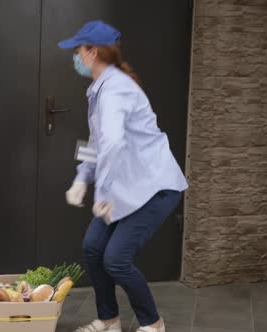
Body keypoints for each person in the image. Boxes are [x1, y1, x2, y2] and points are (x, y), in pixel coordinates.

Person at [59, 21, 188, 332]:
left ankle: (153, 324)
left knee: (115, 258)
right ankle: (109, 320)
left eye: (77, 51)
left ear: (92, 52)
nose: (75, 57)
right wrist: (81, 178)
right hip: (127, 186)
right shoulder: (98, 88)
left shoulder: (116, 88)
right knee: (93, 246)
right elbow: (96, 143)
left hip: (155, 187)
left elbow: (114, 143)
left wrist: (101, 195)